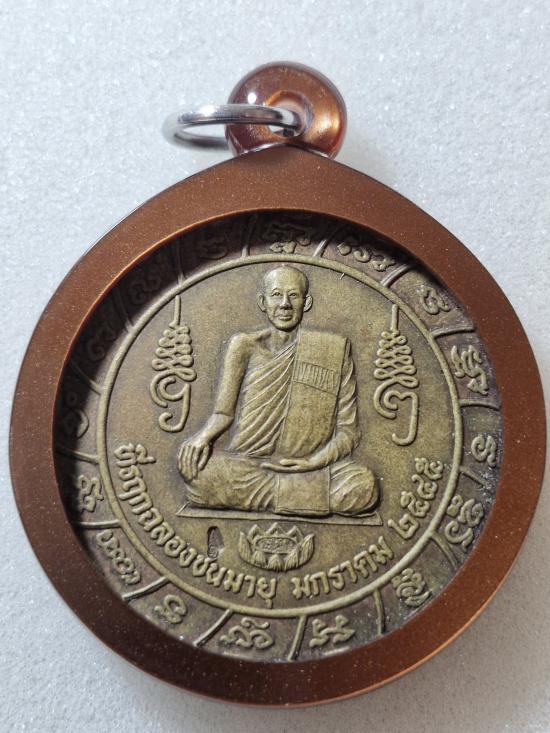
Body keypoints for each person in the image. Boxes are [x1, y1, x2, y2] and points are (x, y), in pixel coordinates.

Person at [178, 265, 377, 517]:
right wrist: (202, 438)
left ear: (306, 303)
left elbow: (348, 432)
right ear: (263, 302)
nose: (285, 304)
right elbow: (223, 413)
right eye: (276, 295)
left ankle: (287, 493)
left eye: (293, 296)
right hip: (249, 464)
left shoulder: (333, 350)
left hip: (310, 468)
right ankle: (305, 497)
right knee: (201, 475)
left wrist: (312, 462)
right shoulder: (243, 346)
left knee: (363, 485)